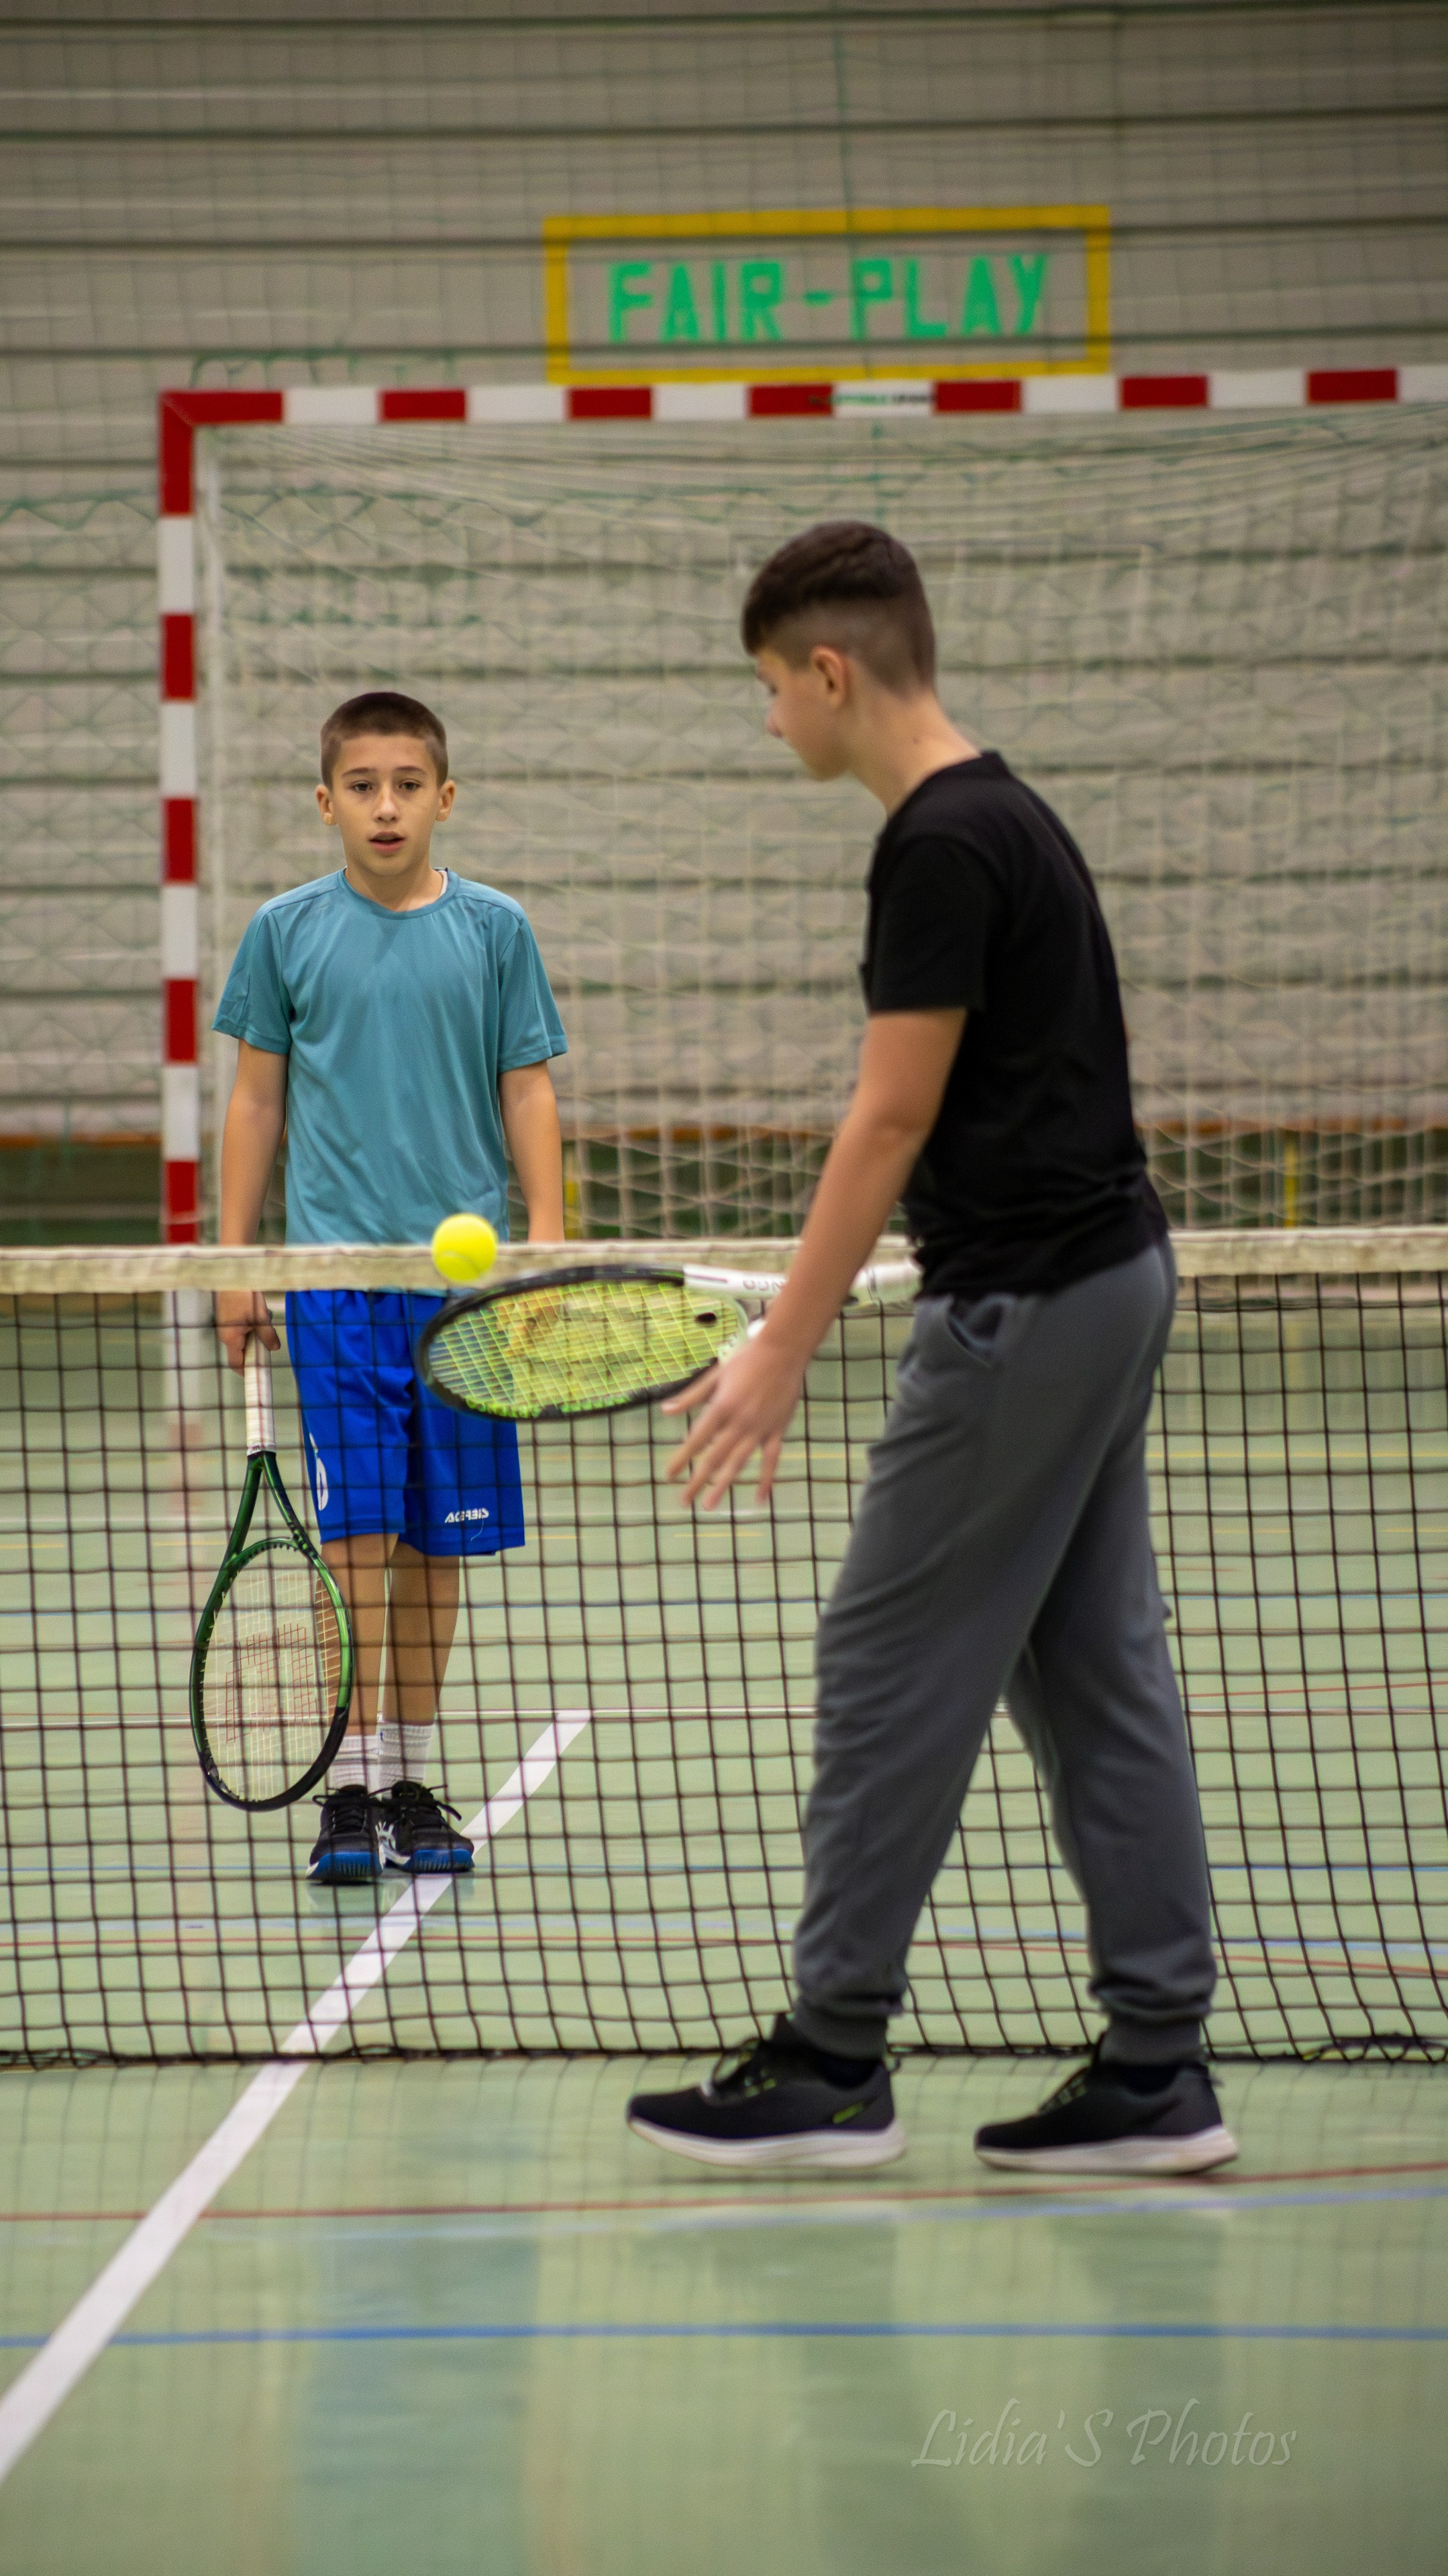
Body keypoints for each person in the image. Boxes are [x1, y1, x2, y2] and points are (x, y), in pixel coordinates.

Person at [626, 524, 1237, 2178]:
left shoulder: (940, 845)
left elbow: (887, 1115)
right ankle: (1158, 2070)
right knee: (1091, 1668)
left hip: (1030, 1307)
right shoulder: (1005, 813)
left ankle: (830, 2059)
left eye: (768, 688)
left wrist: (778, 1343)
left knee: (882, 1663)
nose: (768, 724)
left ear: (830, 672)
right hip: (1112, 1279)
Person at [212, 689, 566, 1883]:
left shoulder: (497, 929)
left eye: (407, 784)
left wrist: (547, 1251)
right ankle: (350, 1784)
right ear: (326, 803)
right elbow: (256, 1100)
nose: (385, 805)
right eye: (362, 786)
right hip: (331, 1286)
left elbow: (529, 1090)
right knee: (353, 1538)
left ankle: (411, 1777)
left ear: (444, 798)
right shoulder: (284, 931)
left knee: (440, 1542)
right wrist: (237, 1259)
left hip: (462, 1300)